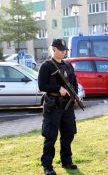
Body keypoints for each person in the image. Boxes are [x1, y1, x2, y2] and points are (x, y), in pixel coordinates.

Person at [38, 39, 78, 175]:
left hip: (67, 106)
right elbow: (42, 86)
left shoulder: (68, 65)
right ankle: (47, 166)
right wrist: (57, 88)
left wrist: (75, 95)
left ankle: (66, 160)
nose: (64, 52)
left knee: (68, 134)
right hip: (53, 106)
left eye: (65, 50)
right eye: (61, 50)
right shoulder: (46, 66)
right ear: (53, 49)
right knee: (50, 136)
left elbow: (74, 83)